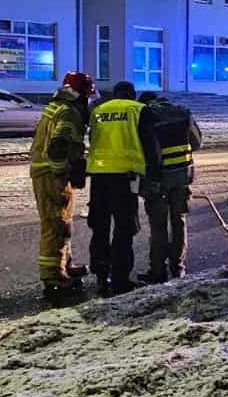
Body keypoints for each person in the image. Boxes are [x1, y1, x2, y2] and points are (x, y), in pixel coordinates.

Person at [85, 80, 160, 296]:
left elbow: (93, 138)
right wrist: (153, 174)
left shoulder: (99, 110)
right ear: (132, 95)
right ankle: (120, 279)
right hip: (125, 177)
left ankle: (101, 275)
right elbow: (149, 144)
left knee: (100, 226)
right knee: (123, 228)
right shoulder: (138, 110)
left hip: (99, 175)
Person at [29, 72, 92, 301]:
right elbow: (58, 147)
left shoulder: (55, 107)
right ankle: (54, 276)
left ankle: (64, 264)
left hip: (45, 171)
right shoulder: (68, 112)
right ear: (79, 95)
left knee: (63, 222)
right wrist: (61, 173)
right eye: (87, 96)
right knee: (55, 224)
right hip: (51, 175)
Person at [137, 91, 203, 283]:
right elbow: (196, 143)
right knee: (179, 221)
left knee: (158, 226)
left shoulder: (145, 115)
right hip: (182, 176)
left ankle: (158, 271)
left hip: (157, 179)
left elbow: (142, 148)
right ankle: (178, 268)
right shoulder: (182, 112)